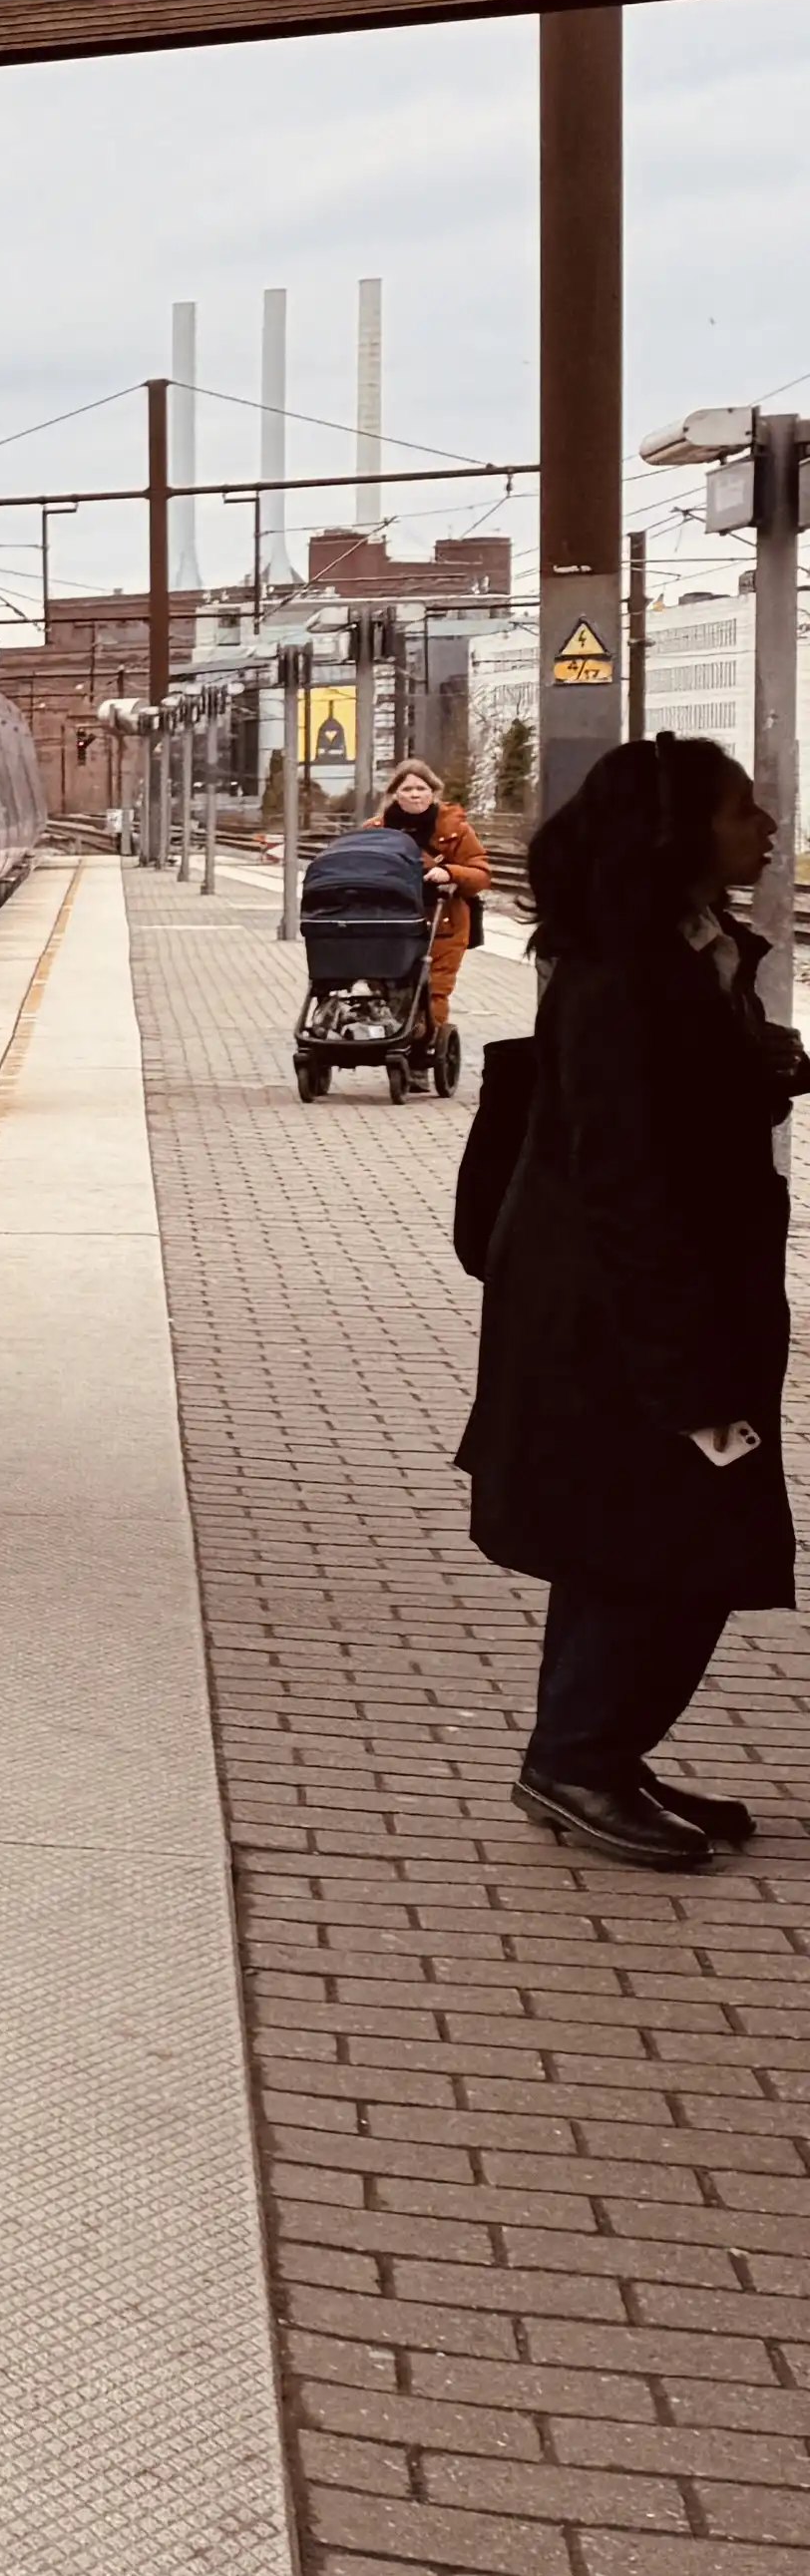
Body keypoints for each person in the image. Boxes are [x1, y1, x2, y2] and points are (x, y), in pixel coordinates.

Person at [462, 730, 800, 1867]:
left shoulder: (680, 948)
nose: (762, 826)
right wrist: (685, 1373)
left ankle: (594, 1751)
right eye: (741, 809)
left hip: (655, 1309)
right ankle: (575, 1762)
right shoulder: (623, 973)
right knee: (678, 1543)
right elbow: (624, 1179)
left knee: (625, 1546)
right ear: (678, 834)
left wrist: (757, 1064)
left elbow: (672, 1113)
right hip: (627, 1321)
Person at [381, 761, 494, 1039]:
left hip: (443, 922)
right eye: (407, 789)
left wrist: (449, 872)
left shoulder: (455, 829)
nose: (415, 794)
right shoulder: (376, 828)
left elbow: (481, 874)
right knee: (390, 987)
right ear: (395, 793)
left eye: (422, 788)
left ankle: (423, 1050)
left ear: (433, 792)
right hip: (390, 921)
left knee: (433, 988)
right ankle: (397, 1038)